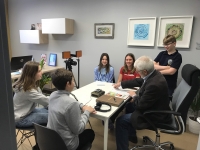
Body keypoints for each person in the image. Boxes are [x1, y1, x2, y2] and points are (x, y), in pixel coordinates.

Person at [114, 56, 171, 150]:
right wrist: (121, 84)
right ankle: (132, 135)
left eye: (138, 71)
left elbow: (140, 105)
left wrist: (134, 96)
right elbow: (139, 81)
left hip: (154, 114)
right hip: (155, 106)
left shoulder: (154, 85)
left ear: (145, 71)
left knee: (121, 121)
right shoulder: (154, 74)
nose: (137, 73)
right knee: (128, 106)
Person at [47, 69, 95, 150]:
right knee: (90, 133)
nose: (74, 83)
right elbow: (78, 130)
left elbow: (69, 101)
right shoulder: (72, 104)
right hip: (67, 145)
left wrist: (81, 106)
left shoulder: (52, 95)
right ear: (68, 84)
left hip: (52, 141)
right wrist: (87, 112)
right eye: (72, 81)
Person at [13, 61, 49, 128]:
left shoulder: (30, 84)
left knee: (50, 112)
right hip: (21, 119)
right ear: (32, 74)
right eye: (39, 71)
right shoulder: (27, 89)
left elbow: (43, 99)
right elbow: (46, 101)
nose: (42, 72)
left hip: (27, 112)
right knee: (54, 116)